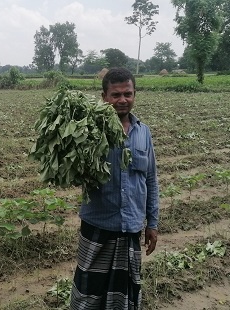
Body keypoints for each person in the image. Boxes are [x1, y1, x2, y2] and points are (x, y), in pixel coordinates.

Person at [69, 67, 159, 309]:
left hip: (130, 226)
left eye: (127, 94)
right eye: (116, 95)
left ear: (134, 95)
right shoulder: (88, 130)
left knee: (124, 290)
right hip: (98, 224)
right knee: (89, 291)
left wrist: (152, 223)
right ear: (104, 97)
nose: (122, 100)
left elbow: (150, 180)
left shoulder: (143, 133)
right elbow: (73, 174)